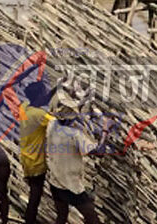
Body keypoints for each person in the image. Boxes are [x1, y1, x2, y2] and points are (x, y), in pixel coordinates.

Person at [46, 92, 109, 224]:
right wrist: (105, 131)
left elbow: (63, 115)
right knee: (92, 219)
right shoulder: (75, 135)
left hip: (55, 182)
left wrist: (83, 101)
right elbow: (99, 151)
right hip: (71, 187)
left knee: (61, 216)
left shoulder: (51, 125)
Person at [18, 78, 64, 224]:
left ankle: (29, 219)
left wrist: (57, 88)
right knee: (35, 195)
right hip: (36, 161)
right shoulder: (39, 115)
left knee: (34, 190)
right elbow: (58, 123)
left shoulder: (24, 107)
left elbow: (42, 99)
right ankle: (29, 220)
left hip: (26, 156)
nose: (45, 94)